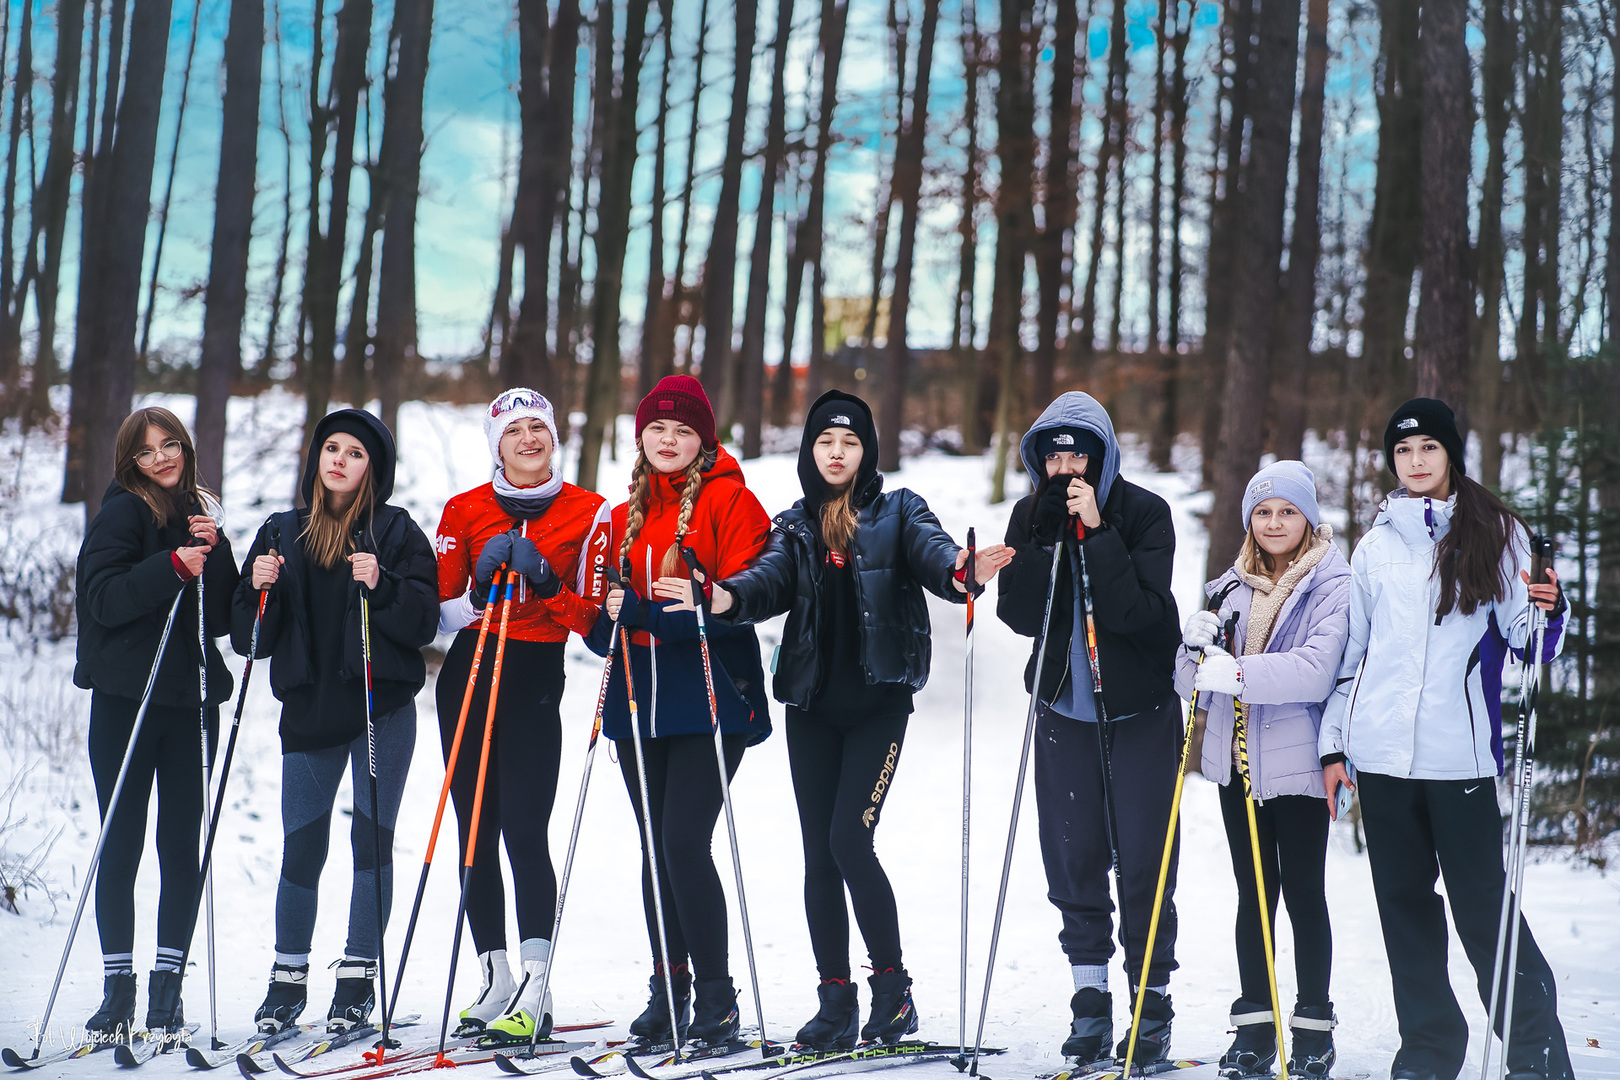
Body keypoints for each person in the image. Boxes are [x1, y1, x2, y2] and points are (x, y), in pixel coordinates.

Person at [693, 390, 1011, 1050]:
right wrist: (724, 596)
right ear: (810, 452)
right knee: (818, 856)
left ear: (867, 453)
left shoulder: (900, 512)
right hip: (811, 709)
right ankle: (834, 1000)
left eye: (851, 443)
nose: (837, 453)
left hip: (877, 709)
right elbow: (766, 581)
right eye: (825, 443)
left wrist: (962, 571)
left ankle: (892, 994)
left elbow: (935, 555)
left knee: (848, 841)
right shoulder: (794, 525)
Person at [1320, 399, 1572, 1080]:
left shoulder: (1498, 533)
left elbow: (1530, 639)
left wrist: (1551, 608)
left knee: (1484, 909)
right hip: (1379, 760)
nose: (1416, 461)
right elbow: (1352, 658)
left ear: (1451, 453)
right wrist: (1334, 746)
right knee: (1404, 913)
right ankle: (1429, 1050)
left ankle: (1536, 1053)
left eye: (1428, 447)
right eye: (1403, 451)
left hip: (1457, 757)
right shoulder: (1375, 544)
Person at [233, 409, 437, 1034]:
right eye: (331, 448)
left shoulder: (397, 533)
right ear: (316, 458)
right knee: (303, 845)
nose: (340, 460)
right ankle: (286, 981)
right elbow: (249, 638)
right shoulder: (279, 532)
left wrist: (384, 583)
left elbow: (424, 622)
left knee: (369, 845)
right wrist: (258, 587)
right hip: (310, 713)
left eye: (354, 452)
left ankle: (356, 981)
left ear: (373, 468)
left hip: (381, 712)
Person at [995, 391, 1182, 1065]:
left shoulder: (1144, 513)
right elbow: (1018, 616)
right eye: (1053, 454)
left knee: (1144, 862)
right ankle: (1090, 1001)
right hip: (1064, 710)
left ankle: (1152, 1005)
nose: (1066, 465)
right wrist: (1044, 538)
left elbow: (1137, 613)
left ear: (1101, 456)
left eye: (1078, 453)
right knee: (1073, 859)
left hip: (1140, 713)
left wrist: (1098, 533)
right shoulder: (1029, 514)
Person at [586, 375, 773, 1049]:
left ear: (703, 440)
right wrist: (607, 615)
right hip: (638, 700)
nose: (669, 441)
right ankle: (670, 990)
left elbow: (746, 601)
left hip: (711, 696)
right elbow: (599, 623)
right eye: (658, 429)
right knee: (654, 849)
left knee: (683, 842)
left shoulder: (730, 499)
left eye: (683, 431)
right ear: (642, 437)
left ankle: (718, 999)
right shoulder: (618, 514)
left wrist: (669, 607)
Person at [434, 388, 612, 1043]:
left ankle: (537, 987)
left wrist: (547, 585)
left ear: (553, 437)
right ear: (497, 443)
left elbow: (596, 628)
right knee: (473, 826)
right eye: (515, 430)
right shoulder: (465, 509)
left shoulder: (591, 513)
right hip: (469, 671)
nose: (529, 439)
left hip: (535, 673)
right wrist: (477, 595)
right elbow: (434, 613)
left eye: (539, 427)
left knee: (526, 829)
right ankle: (496, 978)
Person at [1173, 461, 1350, 1077]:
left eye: (1288, 511)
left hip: (1299, 770)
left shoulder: (1332, 584)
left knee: (1303, 893)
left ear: (1308, 518)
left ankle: (1313, 1027)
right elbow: (1191, 685)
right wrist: (1191, 646)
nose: (1275, 523)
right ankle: (1254, 1027)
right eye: (1264, 512)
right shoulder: (1230, 586)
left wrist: (1239, 673)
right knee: (1254, 897)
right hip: (1240, 770)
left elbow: (1315, 670)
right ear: (1250, 519)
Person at [74, 406, 240, 1038]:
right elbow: (103, 600)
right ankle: (119, 990)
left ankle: (167, 989)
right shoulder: (121, 512)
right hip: (125, 703)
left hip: (190, 703)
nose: (164, 458)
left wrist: (215, 553)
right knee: (122, 840)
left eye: (171, 444)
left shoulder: (200, 510)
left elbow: (220, 616)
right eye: (148, 452)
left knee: (180, 844)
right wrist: (171, 565)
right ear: (130, 462)